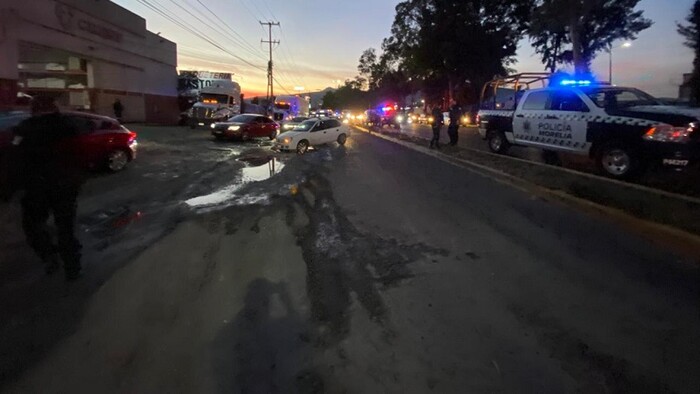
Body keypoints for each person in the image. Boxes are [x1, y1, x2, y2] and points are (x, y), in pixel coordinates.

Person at [8, 96, 86, 281]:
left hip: (36, 188)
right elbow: (79, 154)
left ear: (34, 109)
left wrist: (11, 187)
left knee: (33, 227)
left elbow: (14, 160)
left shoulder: (24, 129)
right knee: (65, 228)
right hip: (63, 186)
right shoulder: (68, 126)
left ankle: (49, 256)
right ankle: (72, 267)